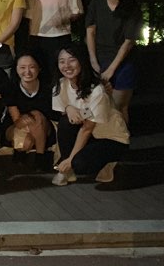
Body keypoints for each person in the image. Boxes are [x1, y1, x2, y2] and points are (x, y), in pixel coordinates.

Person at [52, 43, 130, 186]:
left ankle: (107, 163)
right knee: (65, 122)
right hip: (90, 134)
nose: (66, 65)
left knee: (79, 164)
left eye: (72, 60)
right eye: (62, 61)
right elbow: (77, 115)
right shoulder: (60, 85)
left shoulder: (97, 90)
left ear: (82, 61)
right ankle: (67, 169)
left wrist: (70, 160)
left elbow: (87, 128)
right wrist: (68, 108)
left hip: (110, 138)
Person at [85, 0, 142, 124]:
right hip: (99, 56)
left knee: (118, 106)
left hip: (123, 60)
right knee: (96, 103)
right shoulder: (97, 2)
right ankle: (100, 136)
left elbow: (128, 42)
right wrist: (93, 60)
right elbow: (90, 31)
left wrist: (111, 70)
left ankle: (121, 137)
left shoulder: (132, 8)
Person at [4, 52, 56, 170]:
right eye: (22, 67)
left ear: (39, 68)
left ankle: (40, 157)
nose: (27, 72)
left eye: (32, 67)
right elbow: (17, 120)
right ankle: (21, 152)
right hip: (17, 127)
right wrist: (23, 118)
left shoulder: (48, 88)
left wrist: (33, 117)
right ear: (16, 69)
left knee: (37, 115)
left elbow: (52, 115)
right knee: (25, 143)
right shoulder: (11, 88)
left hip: (43, 129)